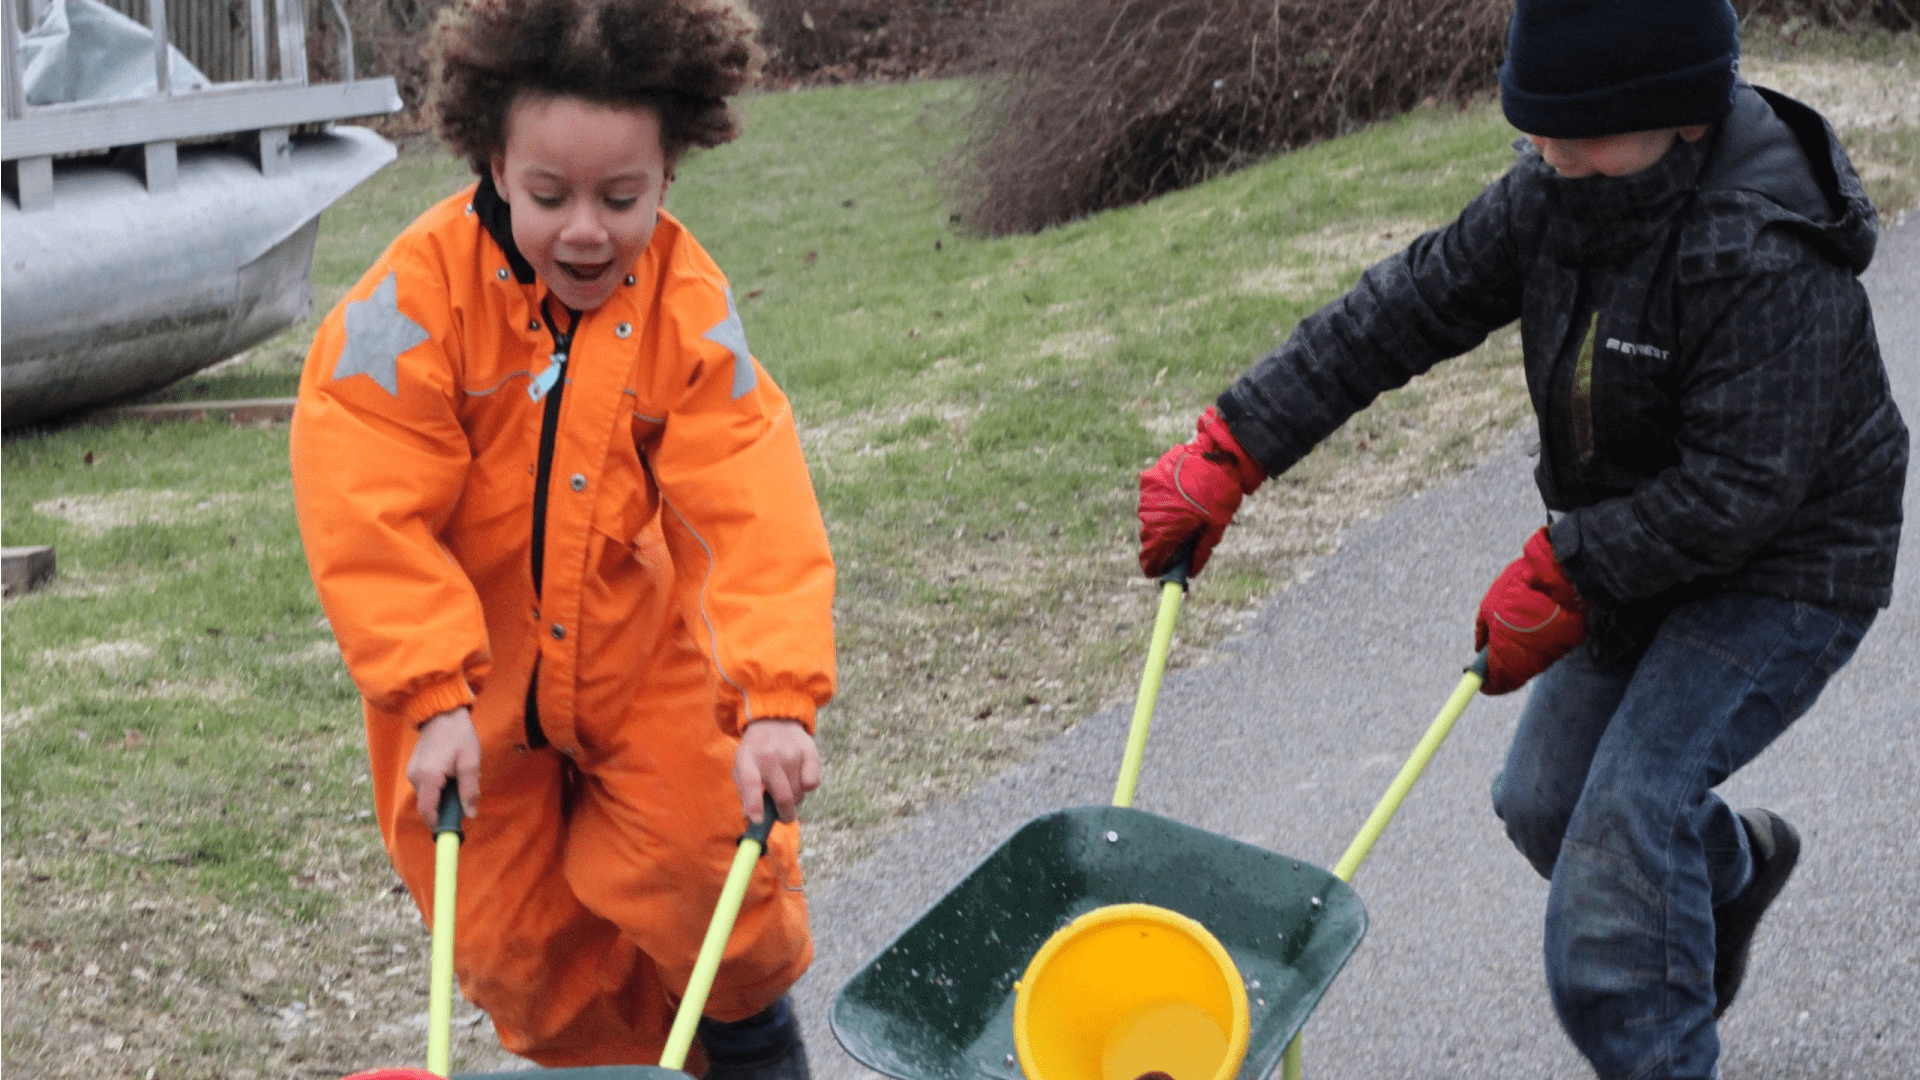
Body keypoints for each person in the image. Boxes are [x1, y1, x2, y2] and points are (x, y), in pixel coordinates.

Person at [1136, 1, 1906, 1076]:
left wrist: (1568, 571)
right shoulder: (1556, 193)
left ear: (1683, 120)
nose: (1546, 154)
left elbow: (1740, 491)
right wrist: (1236, 443)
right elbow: (1404, 308)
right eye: (1536, 127)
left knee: (1618, 867)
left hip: (1786, 573)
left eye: (1578, 134)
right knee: (1541, 803)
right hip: (1638, 553)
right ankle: (1732, 873)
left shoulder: (1759, 249)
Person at [290, 1, 833, 1076]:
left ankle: (752, 1048)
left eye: (621, 198)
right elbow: (366, 504)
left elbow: (748, 489)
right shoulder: (410, 305)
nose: (586, 231)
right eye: (549, 196)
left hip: (636, 661)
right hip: (470, 690)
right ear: (495, 161)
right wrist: (431, 693)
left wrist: (776, 698)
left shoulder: (685, 303)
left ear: (668, 176)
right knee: (518, 955)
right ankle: (650, 1061)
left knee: (714, 879)